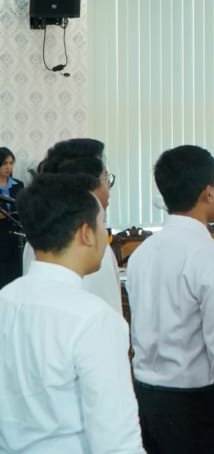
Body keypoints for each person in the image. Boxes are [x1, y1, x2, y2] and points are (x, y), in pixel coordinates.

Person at [0, 173, 144, 453]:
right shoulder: (94, 319)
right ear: (85, 233)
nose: (105, 235)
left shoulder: (6, 299)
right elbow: (117, 440)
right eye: (102, 224)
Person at [126, 145, 214, 454]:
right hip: (196, 408)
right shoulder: (213, 259)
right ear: (208, 192)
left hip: (147, 399)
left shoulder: (142, 254)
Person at [22, 138, 122, 312]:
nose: (109, 187)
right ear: (89, 186)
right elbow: (106, 310)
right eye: (106, 177)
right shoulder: (88, 240)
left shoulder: (39, 234)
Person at [0, 146, 25, 289]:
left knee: (15, 273)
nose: (8, 167)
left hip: (16, 235)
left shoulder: (18, 184)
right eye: (4, 163)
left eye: (11, 163)